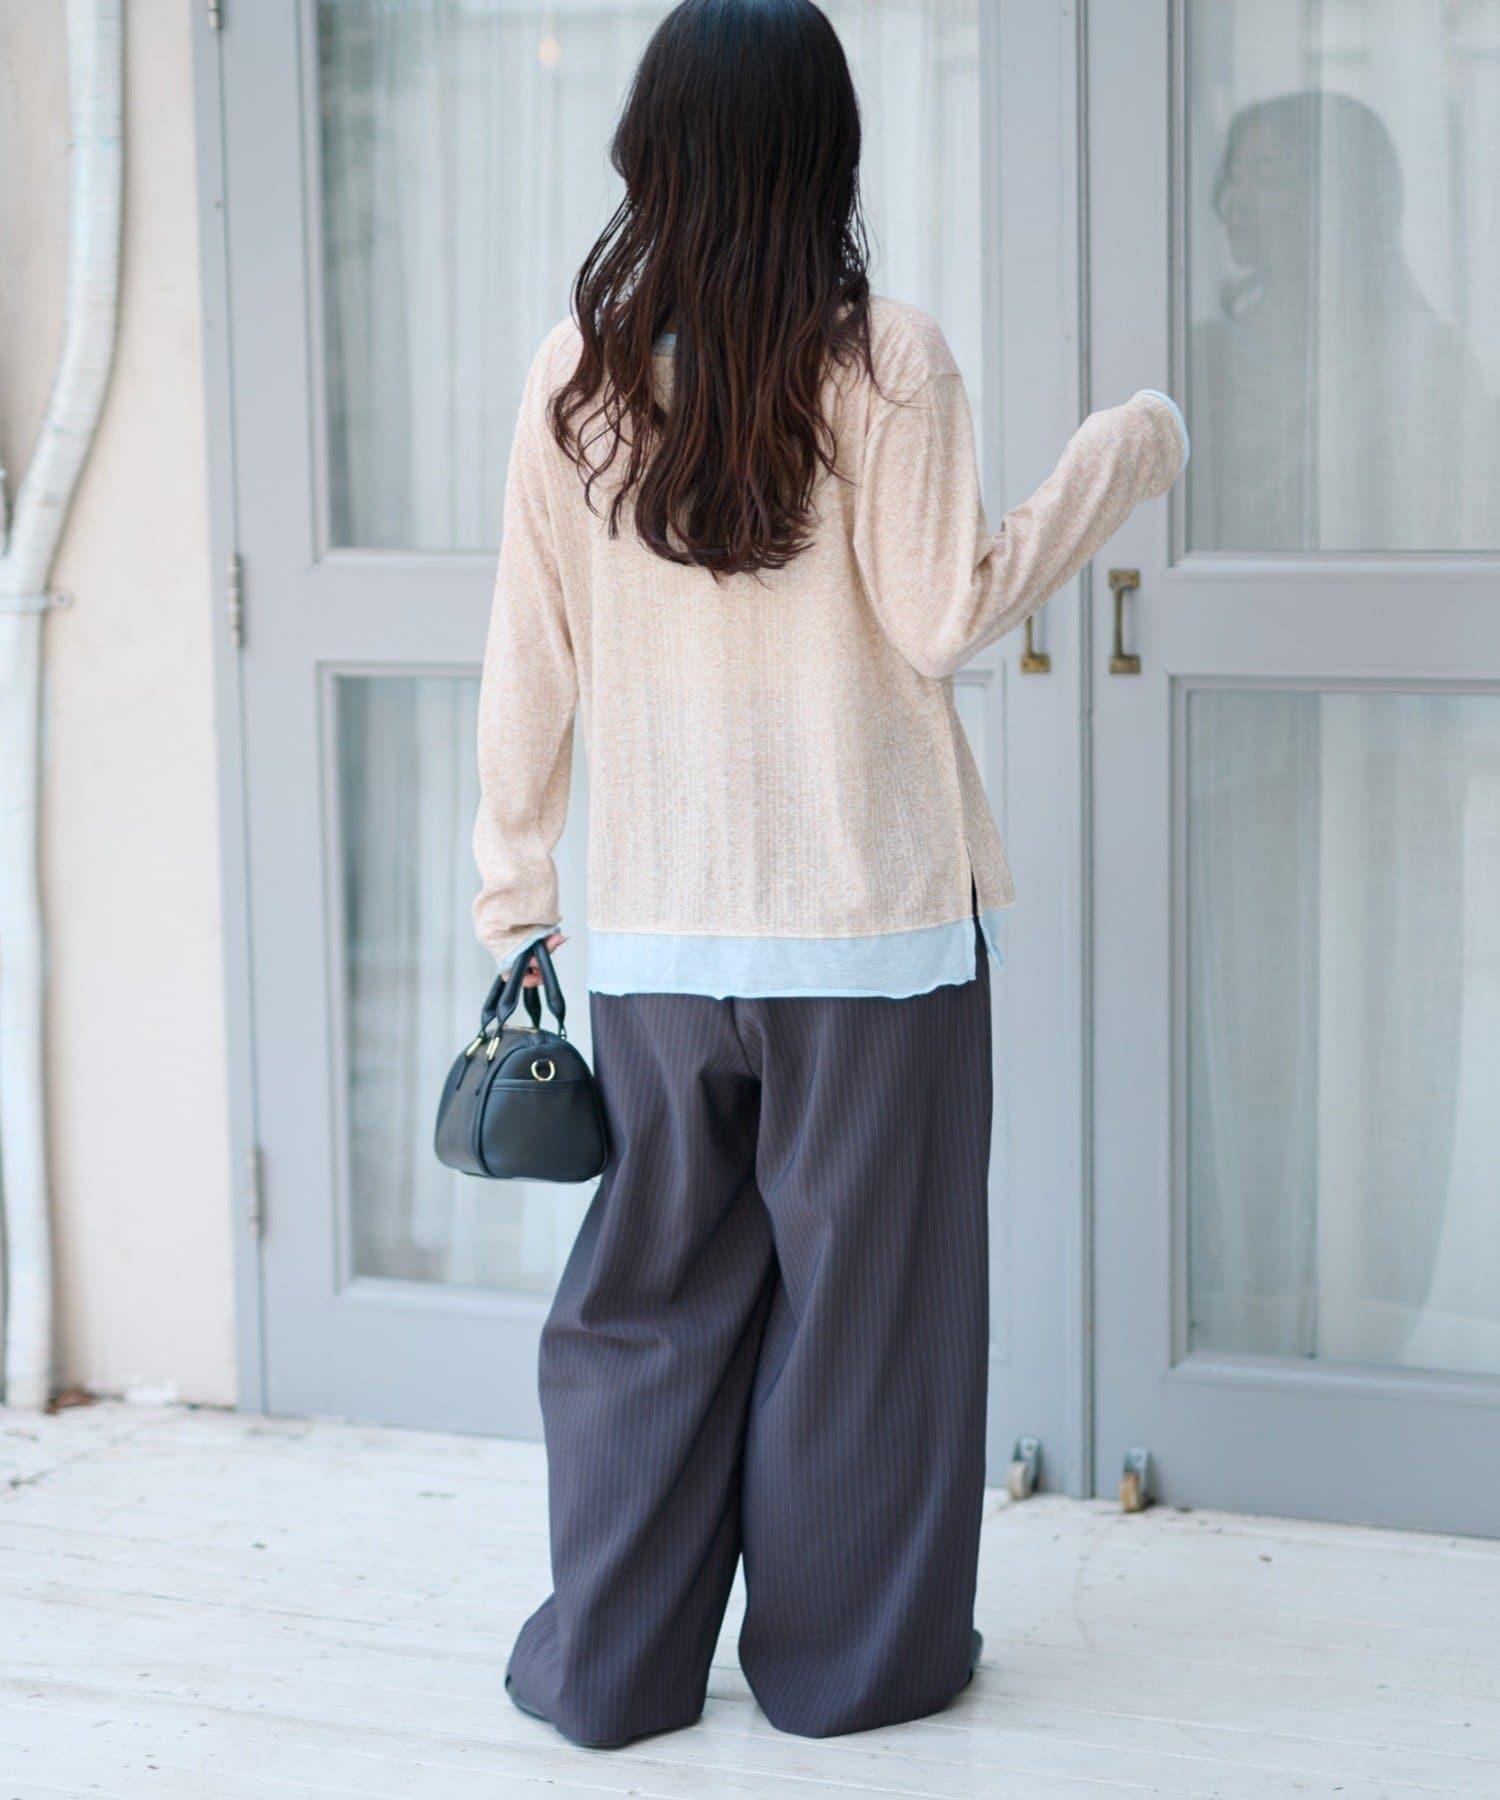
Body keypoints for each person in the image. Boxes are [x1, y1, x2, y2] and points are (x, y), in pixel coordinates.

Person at [472, 0, 1185, 1748]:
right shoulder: (887, 364)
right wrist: (1125, 455)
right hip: (872, 940)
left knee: (646, 1313)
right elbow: (945, 614)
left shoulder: (575, 378)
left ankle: (613, 1668)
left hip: (657, 946)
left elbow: (526, 663)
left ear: (651, 148)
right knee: (868, 1320)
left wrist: (516, 897)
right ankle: (850, 1671)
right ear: (826, 155)